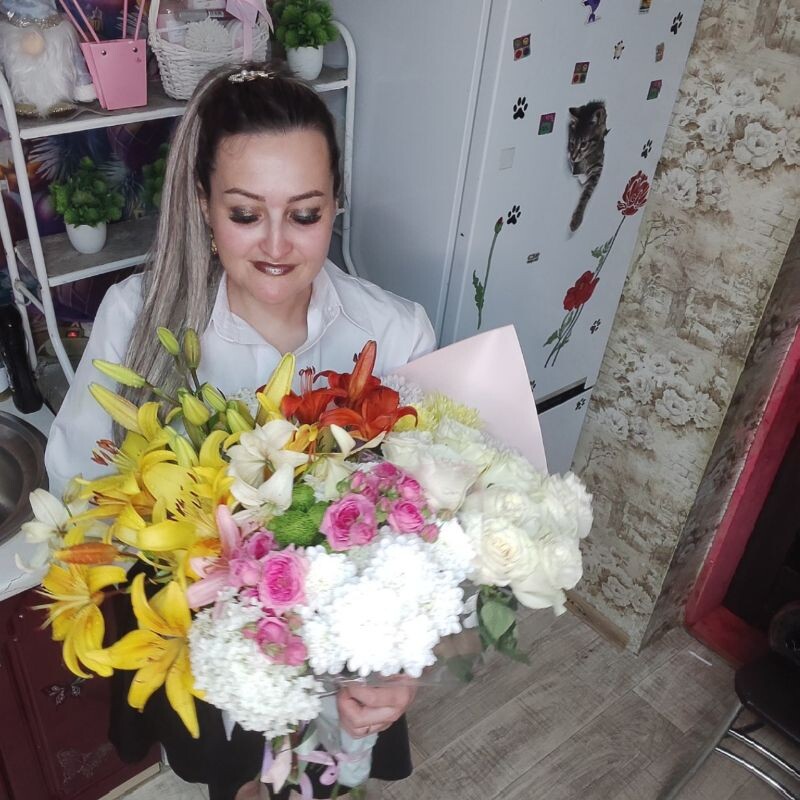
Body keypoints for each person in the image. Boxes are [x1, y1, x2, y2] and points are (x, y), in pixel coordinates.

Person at [44, 63, 436, 800]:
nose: (277, 246)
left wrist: (404, 658)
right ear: (202, 203)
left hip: (336, 649)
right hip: (200, 650)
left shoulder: (392, 331)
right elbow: (76, 488)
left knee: (322, 779)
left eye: (306, 214)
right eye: (246, 214)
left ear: (337, 202)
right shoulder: (140, 321)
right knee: (229, 776)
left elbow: (428, 527)